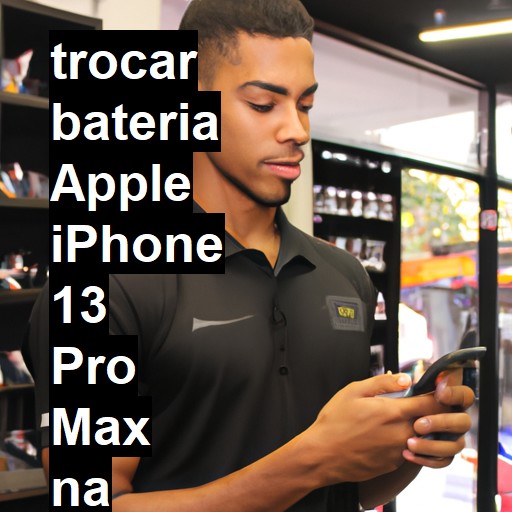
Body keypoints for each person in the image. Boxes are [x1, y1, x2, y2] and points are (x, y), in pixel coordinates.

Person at [28, 0, 475, 510]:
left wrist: (416, 444)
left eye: (305, 105)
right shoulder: (106, 284)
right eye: (264, 104)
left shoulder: (344, 276)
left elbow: (347, 490)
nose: (297, 130)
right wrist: (311, 460)